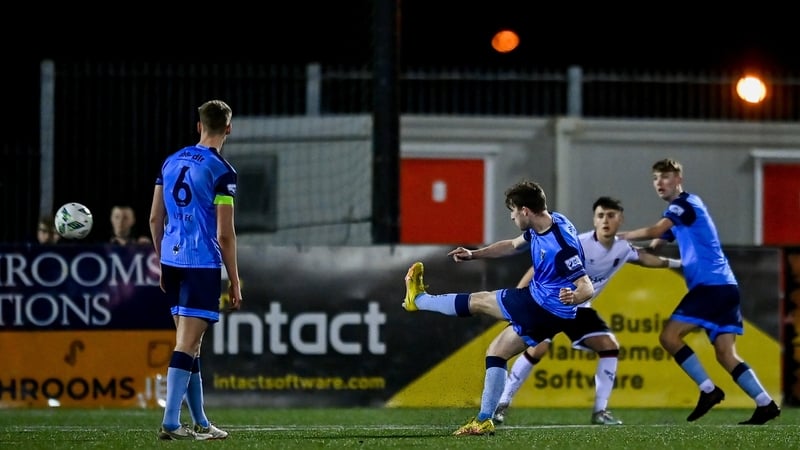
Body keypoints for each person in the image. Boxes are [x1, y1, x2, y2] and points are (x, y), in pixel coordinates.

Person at [403, 180, 595, 436]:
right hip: (549, 313)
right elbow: (513, 245)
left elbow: (587, 286)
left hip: (541, 306)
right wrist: (474, 254)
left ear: (525, 210)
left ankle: (418, 300)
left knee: (479, 301)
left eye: (513, 212)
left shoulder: (560, 245)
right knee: (497, 353)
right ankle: (484, 420)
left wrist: (575, 295)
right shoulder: (550, 221)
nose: (513, 217)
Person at [617, 158, 779, 425]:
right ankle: (765, 404)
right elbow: (653, 248)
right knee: (726, 353)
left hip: (711, 287)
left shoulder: (685, 205)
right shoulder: (678, 214)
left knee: (669, 337)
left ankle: (708, 390)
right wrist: (620, 253)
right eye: (656, 178)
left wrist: (618, 237)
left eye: (666, 177)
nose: (660, 182)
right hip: (726, 288)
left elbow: (655, 231)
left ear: (679, 179)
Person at [493, 196, 682, 426]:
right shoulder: (578, 243)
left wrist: (678, 264)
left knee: (609, 346)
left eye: (611, 215)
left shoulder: (622, 248)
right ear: (594, 220)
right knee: (538, 348)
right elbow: (536, 268)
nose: (605, 220)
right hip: (550, 304)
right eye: (600, 215)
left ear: (620, 220)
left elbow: (644, 259)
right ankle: (501, 404)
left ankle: (600, 411)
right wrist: (520, 297)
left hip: (579, 307)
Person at [149, 99, 243, 441]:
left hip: (172, 261)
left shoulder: (171, 161)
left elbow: (155, 218)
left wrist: (161, 260)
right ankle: (171, 422)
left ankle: (201, 423)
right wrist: (234, 280)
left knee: (192, 346)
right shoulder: (222, 172)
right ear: (228, 128)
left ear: (198, 126)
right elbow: (224, 233)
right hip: (200, 264)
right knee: (186, 345)